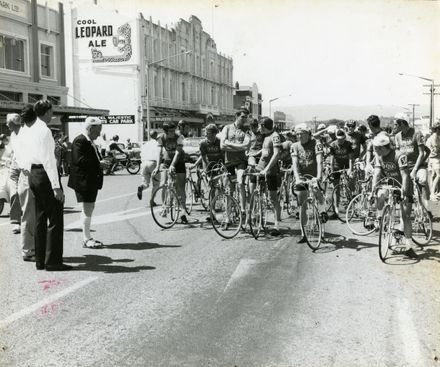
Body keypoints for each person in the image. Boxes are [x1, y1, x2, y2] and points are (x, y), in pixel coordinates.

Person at [24, 100, 71, 271]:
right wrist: (56, 186)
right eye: (51, 112)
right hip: (44, 174)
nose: (52, 115)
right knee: (55, 218)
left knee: (40, 218)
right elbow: (49, 161)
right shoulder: (45, 131)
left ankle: (40, 260)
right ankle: (53, 261)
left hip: (33, 173)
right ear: (45, 112)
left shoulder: (30, 130)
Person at [371, 134, 417, 259]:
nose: (375, 150)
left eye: (376, 148)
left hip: (403, 186)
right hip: (390, 185)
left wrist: (404, 192)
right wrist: (372, 191)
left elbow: (405, 175)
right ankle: (381, 218)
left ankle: (409, 246)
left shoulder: (399, 155)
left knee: (405, 216)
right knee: (379, 195)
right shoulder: (379, 157)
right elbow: (377, 174)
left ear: (383, 148)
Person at [68, 116, 104, 249]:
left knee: (89, 208)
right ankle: (86, 238)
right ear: (90, 128)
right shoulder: (80, 140)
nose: (99, 133)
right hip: (84, 181)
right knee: (88, 208)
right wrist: (99, 164)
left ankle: (87, 237)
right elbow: (79, 160)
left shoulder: (88, 141)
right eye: (98, 130)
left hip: (90, 180)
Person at [291, 123, 327, 243]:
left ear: (308, 134)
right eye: (297, 134)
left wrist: (318, 176)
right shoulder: (294, 146)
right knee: (302, 204)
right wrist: (297, 177)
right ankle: (303, 233)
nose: (299, 136)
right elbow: (295, 164)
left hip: (314, 175)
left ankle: (322, 210)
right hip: (301, 176)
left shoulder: (316, 144)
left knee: (317, 192)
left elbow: (319, 161)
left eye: (302, 133)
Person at [13, 105, 37, 262]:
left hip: (24, 175)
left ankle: (31, 247)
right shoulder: (28, 135)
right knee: (29, 214)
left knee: (29, 214)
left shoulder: (20, 134)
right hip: (28, 174)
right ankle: (28, 250)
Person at [152, 121, 187, 224]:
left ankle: (183, 211)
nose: (173, 132)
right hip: (167, 161)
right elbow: (159, 152)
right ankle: (164, 207)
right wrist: (157, 166)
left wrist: (173, 165)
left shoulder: (179, 137)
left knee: (180, 187)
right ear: (165, 131)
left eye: (174, 130)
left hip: (179, 162)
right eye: (170, 131)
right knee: (163, 184)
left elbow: (178, 152)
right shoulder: (161, 137)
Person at [393, 113, 430, 209]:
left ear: (402, 123)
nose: (394, 126)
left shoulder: (417, 133)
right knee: (403, 191)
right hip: (404, 168)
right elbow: (397, 153)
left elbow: (422, 153)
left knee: (423, 179)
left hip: (417, 166)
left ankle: (426, 207)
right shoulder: (397, 136)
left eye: (396, 124)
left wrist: (415, 170)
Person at [220, 109, 251, 219]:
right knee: (229, 189)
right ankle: (227, 216)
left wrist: (230, 144)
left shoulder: (247, 129)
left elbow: (246, 145)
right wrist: (239, 147)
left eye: (246, 117)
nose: (245, 119)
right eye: (243, 117)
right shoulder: (227, 128)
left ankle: (242, 209)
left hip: (241, 161)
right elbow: (222, 146)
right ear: (237, 116)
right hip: (229, 162)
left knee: (240, 181)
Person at [254, 117, 282, 236]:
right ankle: (258, 218)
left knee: (273, 198)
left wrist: (267, 169)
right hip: (260, 169)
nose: (259, 128)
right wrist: (255, 153)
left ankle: (276, 225)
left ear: (264, 126)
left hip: (270, 171)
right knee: (256, 192)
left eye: (260, 126)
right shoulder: (265, 136)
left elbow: (276, 154)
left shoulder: (275, 136)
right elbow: (265, 151)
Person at [5, 113, 22, 234]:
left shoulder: (25, 134)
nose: (6, 124)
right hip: (14, 167)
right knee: (14, 192)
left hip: (25, 167)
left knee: (26, 194)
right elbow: (11, 151)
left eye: (8, 122)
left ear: (14, 123)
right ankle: (16, 221)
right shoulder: (12, 135)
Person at [137, 130, 160, 201]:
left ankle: (141, 187)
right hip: (153, 163)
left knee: (145, 183)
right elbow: (160, 154)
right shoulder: (158, 144)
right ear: (156, 135)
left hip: (144, 163)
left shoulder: (145, 144)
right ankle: (151, 200)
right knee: (156, 184)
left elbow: (141, 154)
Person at [425, 122, 440, 200]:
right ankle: (433, 193)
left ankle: (432, 193)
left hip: (430, 159)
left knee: (432, 176)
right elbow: (436, 149)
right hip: (435, 159)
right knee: (438, 175)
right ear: (437, 129)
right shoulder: (435, 137)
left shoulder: (429, 137)